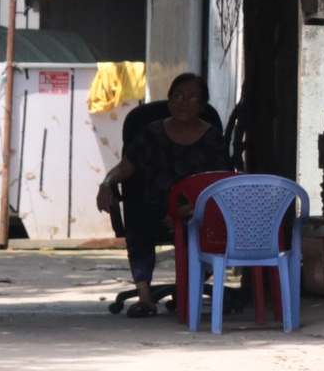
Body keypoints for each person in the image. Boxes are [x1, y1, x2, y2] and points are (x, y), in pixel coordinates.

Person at [97, 73, 229, 318]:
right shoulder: (152, 132)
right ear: (168, 101)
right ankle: (145, 298)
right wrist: (106, 183)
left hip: (198, 209)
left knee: (212, 232)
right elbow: (125, 167)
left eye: (192, 97)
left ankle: (188, 289)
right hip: (156, 207)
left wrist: (188, 209)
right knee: (138, 224)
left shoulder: (212, 138)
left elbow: (220, 183)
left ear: (202, 106)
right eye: (178, 96)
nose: (184, 102)